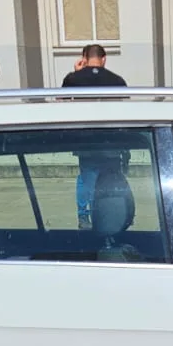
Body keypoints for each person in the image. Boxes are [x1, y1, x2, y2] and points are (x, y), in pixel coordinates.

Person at [61, 44, 129, 230]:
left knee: (86, 178)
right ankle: (113, 216)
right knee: (110, 180)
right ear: (104, 58)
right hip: (111, 139)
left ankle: (84, 217)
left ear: (84, 57)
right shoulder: (118, 81)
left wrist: (76, 72)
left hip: (85, 139)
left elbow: (61, 104)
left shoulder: (73, 80)